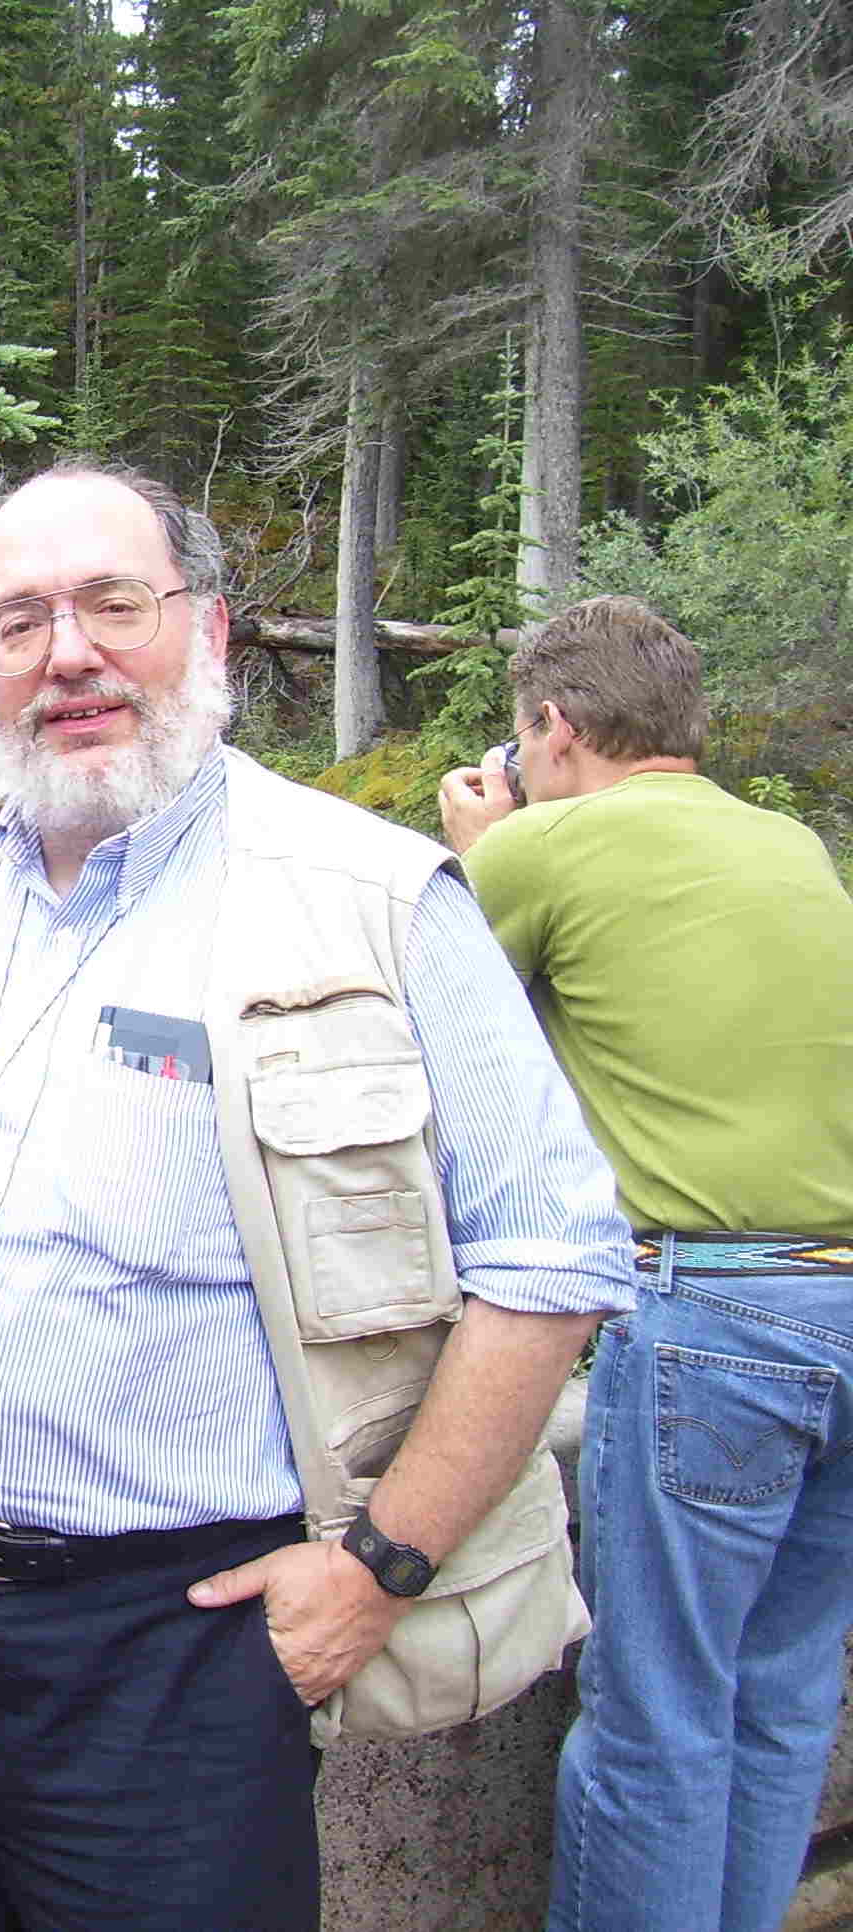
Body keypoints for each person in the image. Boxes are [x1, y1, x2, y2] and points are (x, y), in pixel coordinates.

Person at [0, 461, 635, 1931]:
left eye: (112, 604)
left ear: (206, 631)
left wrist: (381, 1569)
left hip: (182, 1651)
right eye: (16, 622)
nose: (66, 653)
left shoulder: (376, 898)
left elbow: (551, 1257)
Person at [437, 595, 853, 1932]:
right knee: (778, 1698)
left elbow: (439, 1047)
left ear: (551, 727)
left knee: (655, 1717)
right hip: (842, 1290)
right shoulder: (786, 840)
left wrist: (481, 853)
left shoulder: (546, 844)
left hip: (721, 1317)